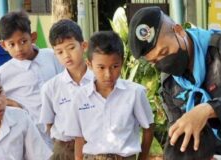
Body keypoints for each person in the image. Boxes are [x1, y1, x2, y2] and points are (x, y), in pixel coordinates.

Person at [128, 6, 221, 160]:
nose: (162, 63)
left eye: (164, 52)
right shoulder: (170, 85)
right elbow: (182, 138)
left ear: (179, 31)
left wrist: (207, 110)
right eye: (154, 61)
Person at [64, 31, 154, 160]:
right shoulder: (80, 96)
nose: (108, 74)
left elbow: (148, 128)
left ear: (122, 63)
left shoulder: (135, 93)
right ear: (89, 65)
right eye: (101, 67)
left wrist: (142, 158)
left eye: (115, 66)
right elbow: (79, 137)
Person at [0, 11, 63, 147]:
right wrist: (11, 103)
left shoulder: (52, 56)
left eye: (23, 41)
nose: (18, 49)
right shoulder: (2, 74)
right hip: (35, 139)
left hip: (64, 131)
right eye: (12, 44)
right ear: (3, 45)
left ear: (33, 37)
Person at [39, 19, 94, 160]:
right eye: (59, 51)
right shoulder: (50, 88)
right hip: (64, 149)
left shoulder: (99, 81)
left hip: (95, 146)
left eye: (71, 48)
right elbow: (49, 124)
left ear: (84, 46)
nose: (66, 56)